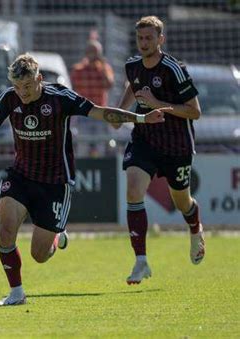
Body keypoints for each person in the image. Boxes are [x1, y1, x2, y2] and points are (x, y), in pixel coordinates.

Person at [0, 54, 167, 306]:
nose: (22, 92)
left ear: (39, 79)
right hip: (20, 176)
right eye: (17, 87)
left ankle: (55, 237)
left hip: (55, 182)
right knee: (5, 231)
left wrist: (140, 118)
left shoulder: (61, 97)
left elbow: (101, 113)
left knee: (39, 255)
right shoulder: (9, 97)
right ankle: (16, 292)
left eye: (27, 86)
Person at [112, 16, 204, 285]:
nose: (144, 43)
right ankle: (141, 261)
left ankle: (195, 229)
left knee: (181, 202)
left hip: (177, 146)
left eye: (149, 38)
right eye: (140, 38)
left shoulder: (174, 69)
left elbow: (195, 112)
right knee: (133, 190)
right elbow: (133, 85)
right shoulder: (131, 66)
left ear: (160, 39)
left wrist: (156, 103)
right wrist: (120, 112)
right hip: (145, 140)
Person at [70, 39, 114, 106]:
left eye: (95, 52)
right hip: (82, 109)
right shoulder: (78, 70)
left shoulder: (104, 69)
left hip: (99, 108)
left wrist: (102, 68)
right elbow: (73, 89)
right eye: (90, 51)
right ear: (86, 53)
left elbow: (109, 85)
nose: (93, 54)